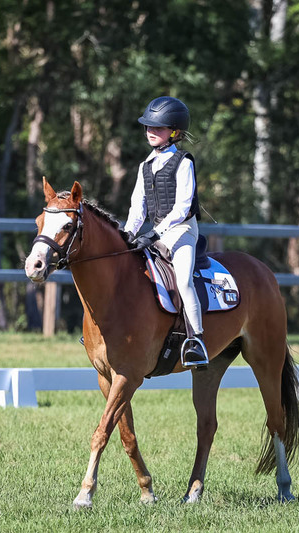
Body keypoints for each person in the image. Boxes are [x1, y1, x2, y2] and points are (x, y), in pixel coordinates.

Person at [123, 96, 208, 368]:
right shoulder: (144, 166)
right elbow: (138, 207)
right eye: (148, 127)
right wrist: (127, 234)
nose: (151, 132)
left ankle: (197, 341)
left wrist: (155, 233)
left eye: (157, 128)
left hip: (182, 231)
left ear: (175, 132)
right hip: (156, 232)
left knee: (183, 281)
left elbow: (183, 207)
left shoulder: (184, 162)